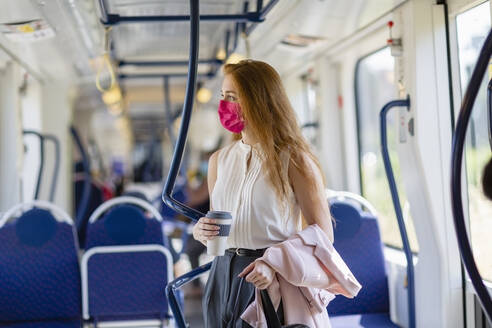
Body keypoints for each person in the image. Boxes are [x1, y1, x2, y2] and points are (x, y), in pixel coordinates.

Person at [192, 60, 336, 327]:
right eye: (223, 97)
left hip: (270, 273)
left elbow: (323, 236)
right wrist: (201, 231)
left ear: (259, 100)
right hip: (222, 273)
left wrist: (274, 264)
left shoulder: (294, 160)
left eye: (233, 97)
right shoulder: (219, 161)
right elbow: (219, 222)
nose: (224, 105)